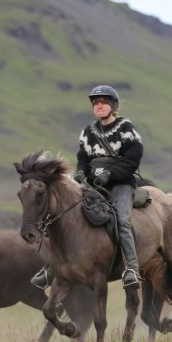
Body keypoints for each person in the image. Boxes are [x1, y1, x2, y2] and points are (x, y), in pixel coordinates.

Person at [30, 85, 144, 289]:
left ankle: (131, 269)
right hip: (92, 183)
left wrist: (111, 174)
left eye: (103, 102)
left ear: (113, 105)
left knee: (123, 220)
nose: (99, 106)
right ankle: (51, 267)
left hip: (120, 184)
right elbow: (83, 158)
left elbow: (132, 159)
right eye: (96, 103)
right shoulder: (88, 132)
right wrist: (82, 172)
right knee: (62, 214)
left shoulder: (126, 127)